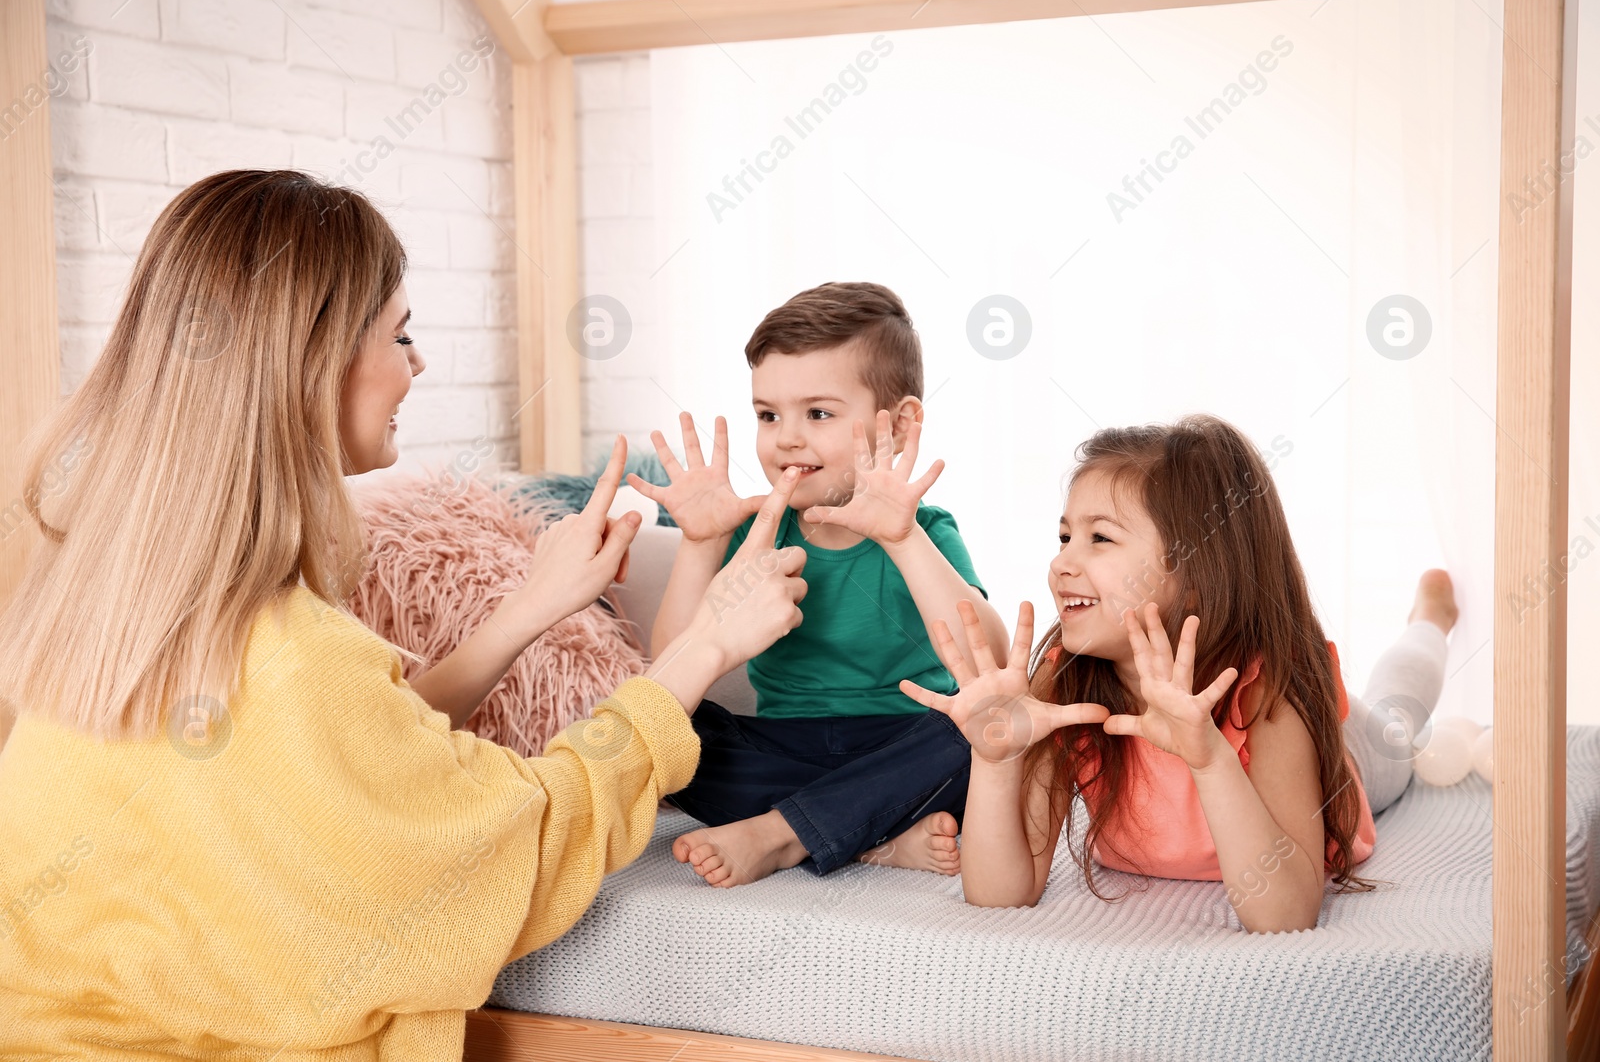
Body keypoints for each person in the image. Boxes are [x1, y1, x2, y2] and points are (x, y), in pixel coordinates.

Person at [0, 169, 808, 1060]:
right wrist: (700, 650)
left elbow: (336, 760)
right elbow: (519, 840)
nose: (417, 365)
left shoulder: (105, 606)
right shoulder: (296, 654)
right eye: (400, 333)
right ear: (312, 360)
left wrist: (524, 612)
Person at [901, 415, 1456, 933]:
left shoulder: (1265, 694)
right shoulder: (1062, 685)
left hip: (1350, 756)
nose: (1061, 563)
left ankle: (1428, 622)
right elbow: (1002, 894)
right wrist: (995, 762)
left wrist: (1209, 755)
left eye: (1101, 538)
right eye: (1065, 536)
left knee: (1396, 719)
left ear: (1196, 575)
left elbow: (1285, 914)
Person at [627, 282, 1008, 886]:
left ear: (900, 427)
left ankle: (781, 834)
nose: (786, 438)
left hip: (903, 742)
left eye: (819, 413)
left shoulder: (922, 530)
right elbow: (668, 675)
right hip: (783, 744)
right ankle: (867, 835)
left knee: (976, 734)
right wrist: (700, 543)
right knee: (673, 736)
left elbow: (991, 666)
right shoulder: (755, 534)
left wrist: (903, 540)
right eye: (768, 415)